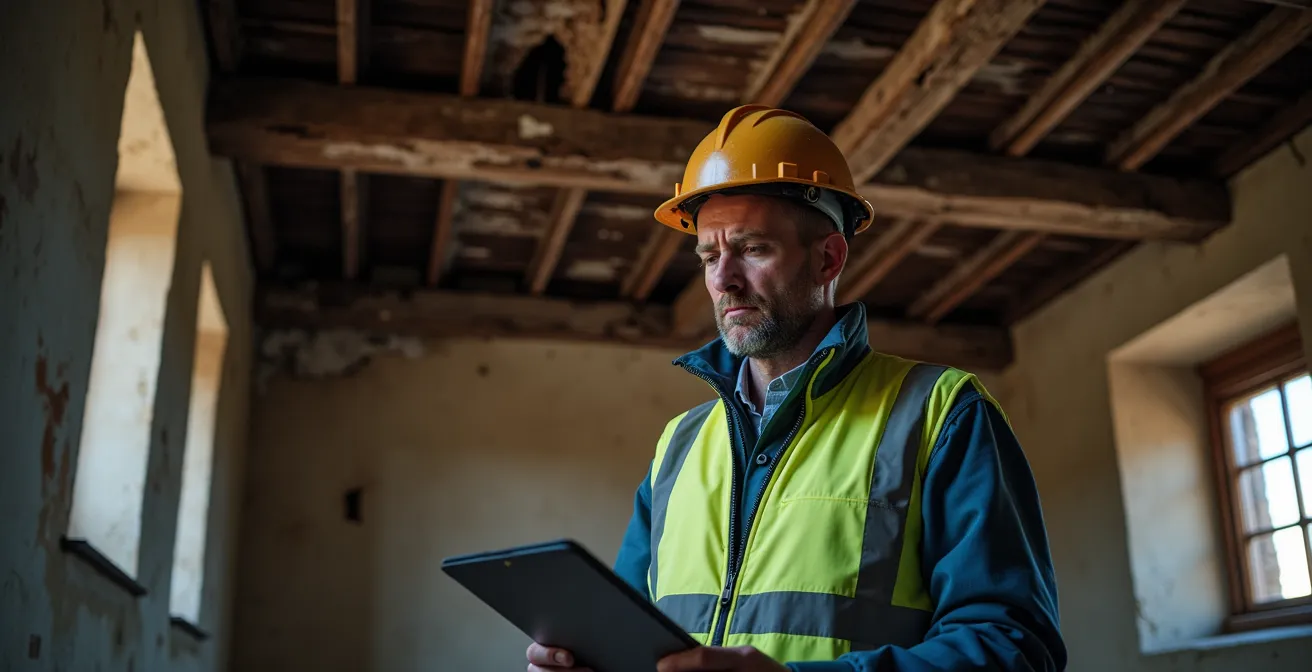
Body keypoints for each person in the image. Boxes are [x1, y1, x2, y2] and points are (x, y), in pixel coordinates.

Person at [526, 106, 1066, 672]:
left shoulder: (941, 413)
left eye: (753, 249)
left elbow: (1014, 647)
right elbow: (635, 644)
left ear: (828, 258)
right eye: (710, 255)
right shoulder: (678, 447)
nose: (722, 279)